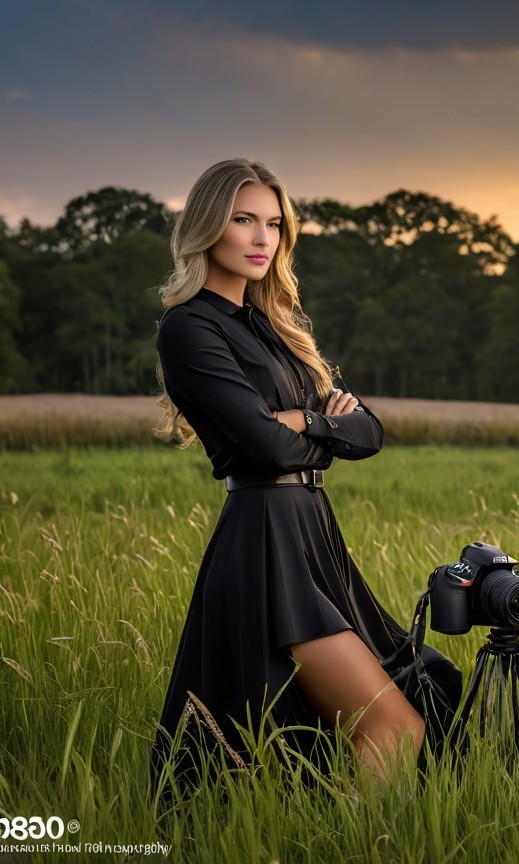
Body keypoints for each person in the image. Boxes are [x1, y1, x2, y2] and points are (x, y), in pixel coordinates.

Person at [151, 158, 435, 791]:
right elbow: (268, 451)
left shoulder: (278, 327)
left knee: (406, 711)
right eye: (243, 220)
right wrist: (314, 425)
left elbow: (368, 432)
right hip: (263, 541)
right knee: (392, 727)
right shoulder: (189, 328)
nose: (261, 239)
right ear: (207, 227)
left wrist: (300, 421)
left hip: (314, 536)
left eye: (274, 224)